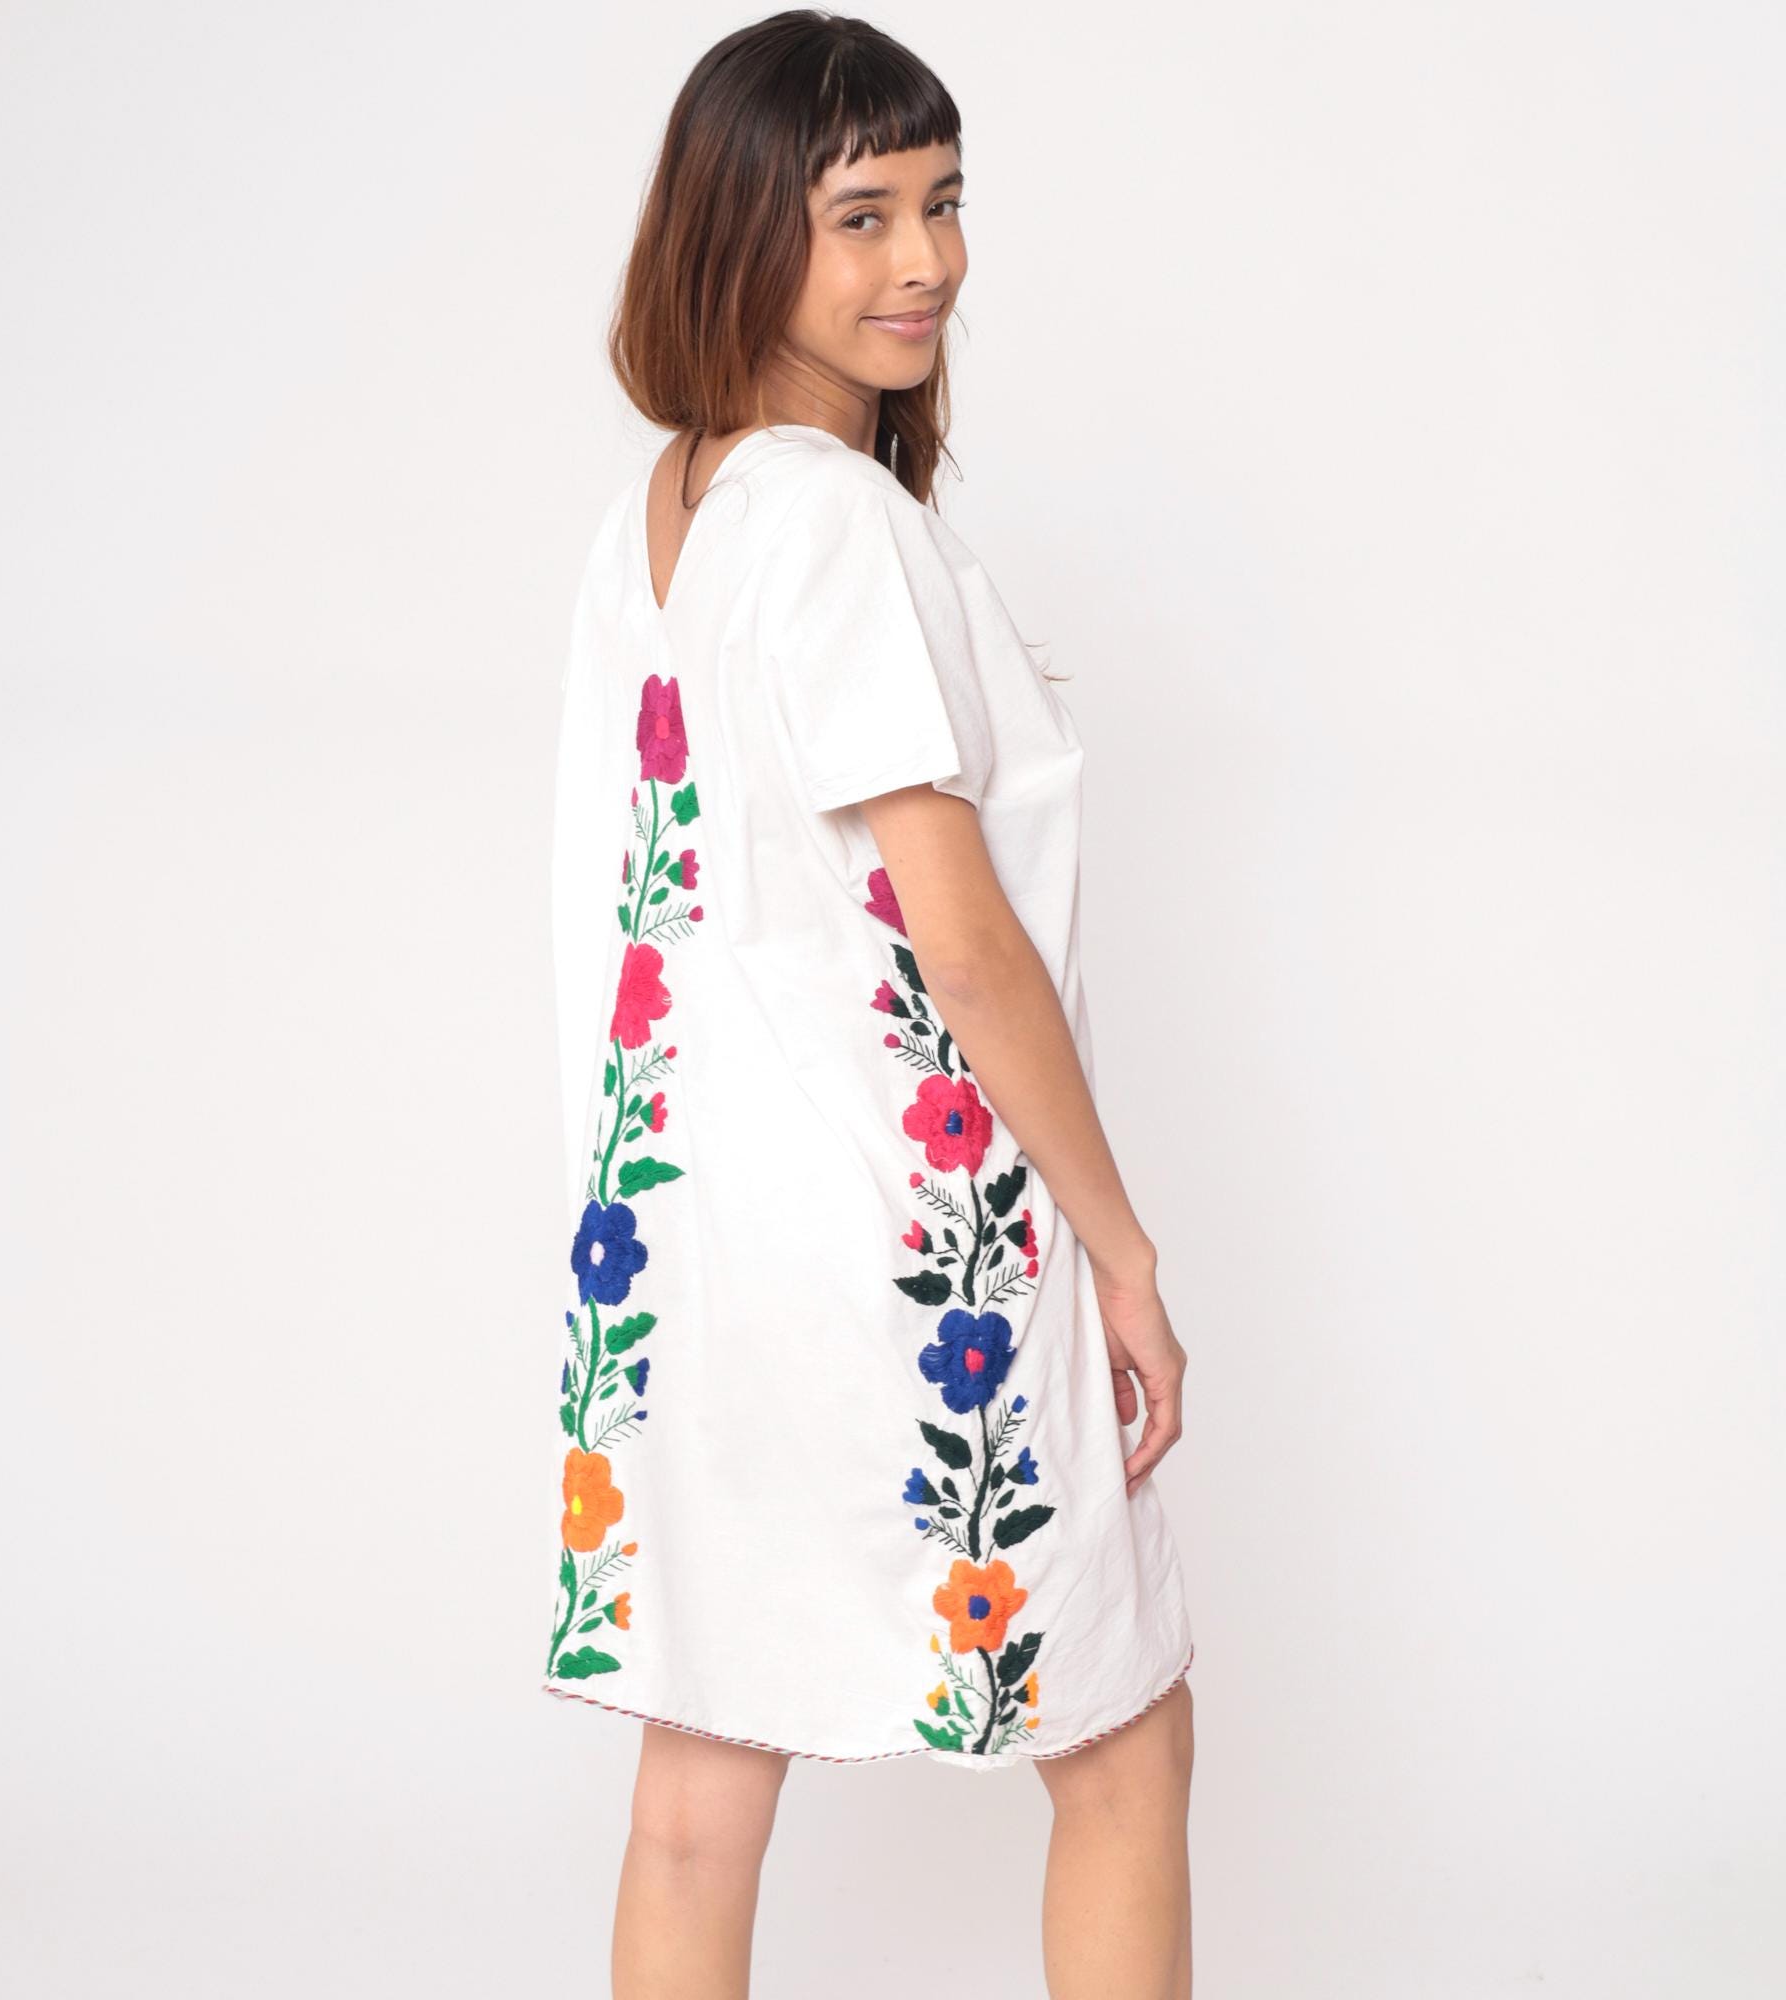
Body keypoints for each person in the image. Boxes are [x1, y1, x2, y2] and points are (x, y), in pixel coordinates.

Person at [543, 13, 1195, 1996]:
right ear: (742, 227)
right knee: (1124, 1741)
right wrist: (1122, 1248)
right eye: (861, 217)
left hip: (690, 1261)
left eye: (943, 203)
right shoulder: (835, 521)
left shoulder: (664, 516)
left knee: (695, 1788)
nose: (924, 262)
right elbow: (960, 936)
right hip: (914, 1246)